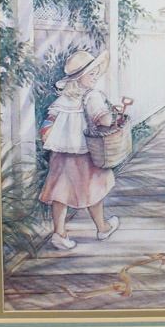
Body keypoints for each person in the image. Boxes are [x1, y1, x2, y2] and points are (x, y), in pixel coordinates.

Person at [39, 49, 121, 249]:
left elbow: (47, 124)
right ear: (78, 78)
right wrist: (112, 116)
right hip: (85, 153)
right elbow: (104, 120)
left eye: (96, 73)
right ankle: (102, 227)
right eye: (91, 74)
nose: (95, 77)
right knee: (94, 189)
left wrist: (49, 139)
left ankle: (59, 233)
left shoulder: (62, 100)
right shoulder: (92, 97)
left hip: (60, 154)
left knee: (60, 191)